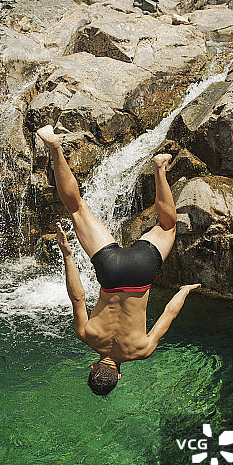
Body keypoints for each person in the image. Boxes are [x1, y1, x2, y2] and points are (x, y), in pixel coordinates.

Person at [37, 125, 201, 396]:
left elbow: (169, 313)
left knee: (169, 226)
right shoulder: (87, 336)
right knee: (76, 208)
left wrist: (184, 291)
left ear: (119, 376)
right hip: (110, 272)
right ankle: (54, 145)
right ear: (92, 367)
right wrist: (67, 254)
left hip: (142, 273)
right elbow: (77, 297)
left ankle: (160, 167)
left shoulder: (142, 351)